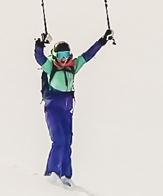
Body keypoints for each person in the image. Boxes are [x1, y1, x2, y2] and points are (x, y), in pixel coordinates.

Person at [35, 31, 111, 185]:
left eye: (66, 54)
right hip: (54, 109)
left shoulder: (72, 66)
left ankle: (65, 176)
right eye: (60, 54)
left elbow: (87, 55)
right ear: (55, 55)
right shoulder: (51, 67)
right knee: (59, 140)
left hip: (67, 110)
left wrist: (102, 41)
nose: (63, 58)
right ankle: (51, 174)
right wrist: (39, 44)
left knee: (68, 141)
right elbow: (40, 58)